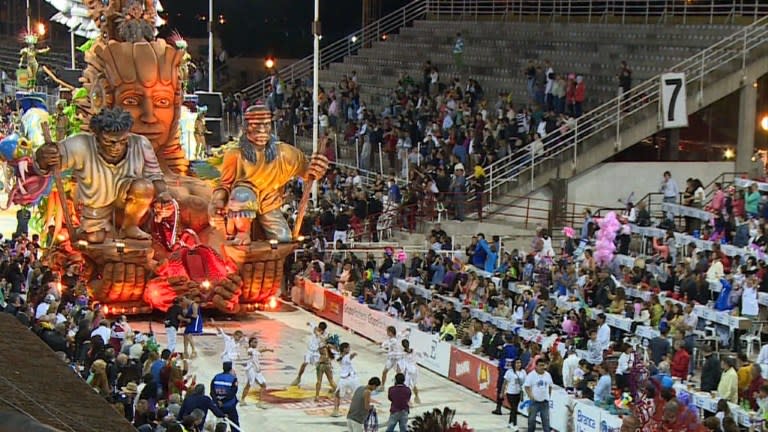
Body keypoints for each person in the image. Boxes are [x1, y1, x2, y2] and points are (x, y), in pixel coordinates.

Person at [35, 107, 172, 243]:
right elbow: (52, 160)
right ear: (97, 136)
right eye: (109, 141)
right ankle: (85, 231)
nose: (116, 147)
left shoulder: (141, 144)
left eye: (122, 141)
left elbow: (155, 176)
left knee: (144, 187)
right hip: (95, 206)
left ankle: (130, 227)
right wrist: (44, 156)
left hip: (128, 206)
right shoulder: (81, 145)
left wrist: (163, 194)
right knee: (95, 238)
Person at [210, 103, 329, 244]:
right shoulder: (235, 155)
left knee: (283, 239)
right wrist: (217, 199)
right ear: (246, 127)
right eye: (256, 125)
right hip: (242, 203)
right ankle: (243, 233)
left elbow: (307, 172)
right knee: (242, 194)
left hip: (269, 203)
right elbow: (225, 184)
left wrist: (317, 168)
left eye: (265, 125)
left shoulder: (286, 153)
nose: (261, 130)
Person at [291, 321, 328, 387]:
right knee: (304, 363)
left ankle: (326, 379)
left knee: (320, 367)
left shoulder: (325, 335)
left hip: (316, 353)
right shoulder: (315, 328)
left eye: (321, 330)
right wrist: (309, 323)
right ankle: (298, 378)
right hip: (309, 351)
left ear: (324, 330)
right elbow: (311, 324)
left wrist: (320, 336)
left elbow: (324, 340)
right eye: (319, 329)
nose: (320, 331)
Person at [240, 336, 273, 407]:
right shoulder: (250, 350)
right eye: (255, 342)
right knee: (249, 385)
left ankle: (260, 402)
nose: (256, 343)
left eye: (256, 342)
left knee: (263, 385)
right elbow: (249, 352)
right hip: (251, 370)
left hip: (257, 371)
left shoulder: (255, 350)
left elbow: (259, 351)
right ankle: (242, 400)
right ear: (251, 343)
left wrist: (268, 349)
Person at [524, 358, 553, 432]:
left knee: (546, 421)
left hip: (544, 402)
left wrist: (548, 395)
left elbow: (550, 386)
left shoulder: (548, 375)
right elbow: (526, 386)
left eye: (543, 365)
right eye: (540, 365)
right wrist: (531, 396)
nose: (542, 367)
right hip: (535, 401)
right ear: (536, 366)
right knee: (531, 420)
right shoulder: (531, 375)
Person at [332, 342, 359, 417]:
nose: (349, 349)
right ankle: (357, 411)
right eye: (348, 348)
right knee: (357, 394)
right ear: (345, 349)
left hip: (343, 379)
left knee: (337, 394)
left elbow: (337, 357)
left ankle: (336, 411)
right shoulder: (347, 356)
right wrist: (353, 354)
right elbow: (351, 356)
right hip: (352, 378)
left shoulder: (337, 356)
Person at [210, 361, 239, 427]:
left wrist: (217, 401)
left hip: (218, 406)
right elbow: (232, 393)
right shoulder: (233, 379)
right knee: (234, 424)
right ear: (230, 369)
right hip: (230, 405)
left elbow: (212, 392)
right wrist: (223, 401)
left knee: (220, 424)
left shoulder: (216, 377)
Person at [503, 358, 526, 431]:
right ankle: (514, 424)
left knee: (514, 408)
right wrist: (502, 392)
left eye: (519, 363)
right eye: (517, 363)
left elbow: (525, 382)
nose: (519, 364)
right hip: (510, 392)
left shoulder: (523, 372)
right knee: (514, 408)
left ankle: (510, 422)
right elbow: (505, 382)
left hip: (518, 393)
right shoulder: (509, 372)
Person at [398, 339, 421, 404]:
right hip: (415, 370)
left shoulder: (402, 353)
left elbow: (399, 362)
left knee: (406, 386)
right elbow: (421, 354)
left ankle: (408, 401)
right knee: (413, 385)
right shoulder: (414, 350)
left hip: (408, 371)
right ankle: (417, 397)